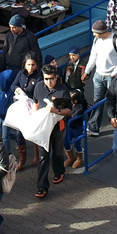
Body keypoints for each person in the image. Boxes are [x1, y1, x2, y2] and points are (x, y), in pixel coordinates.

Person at [31, 63, 71, 198]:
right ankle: (42, 186)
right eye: (46, 78)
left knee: (57, 152)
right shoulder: (38, 87)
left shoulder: (63, 90)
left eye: (52, 78)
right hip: (43, 128)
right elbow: (35, 103)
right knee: (43, 156)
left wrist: (56, 110)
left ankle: (59, 171)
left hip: (57, 127)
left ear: (56, 77)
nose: (49, 81)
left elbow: (69, 110)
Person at [83, 20, 117, 137]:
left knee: (113, 102)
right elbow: (93, 56)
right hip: (98, 75)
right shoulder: (96, 40)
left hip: (111, 76)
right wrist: (87, 71)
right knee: (97, 101)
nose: (94, 35)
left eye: (95, 32)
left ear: (101, 31)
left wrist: (114, 73)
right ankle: (94, 127)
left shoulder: (116, 40)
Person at [8, 56, 41, 170]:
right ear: (24, 65)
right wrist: (18, 90)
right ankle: (22, 159)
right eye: (28, 65)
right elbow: (13, 85)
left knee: (34, 131)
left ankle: (37, 155)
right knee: (19, 133)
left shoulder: (39, 76)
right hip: (22, 107)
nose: (31, 67)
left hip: (34, 107)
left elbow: (39, 91)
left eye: (33, 65)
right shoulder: (21, 74)